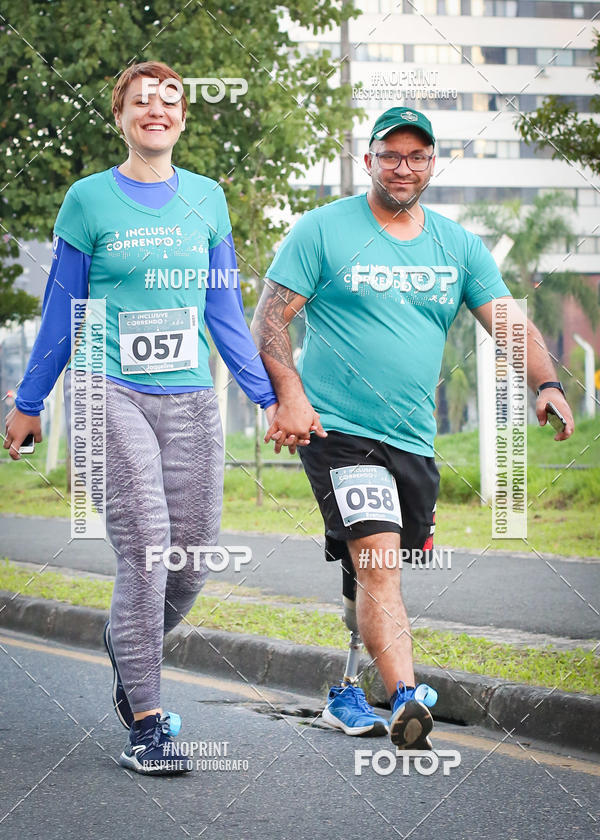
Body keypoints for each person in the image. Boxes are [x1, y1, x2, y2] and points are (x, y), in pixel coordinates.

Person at [251, 106, 574, 750]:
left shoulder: (456, 245)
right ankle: (405, 698)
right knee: (377, 562)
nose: (404, 166)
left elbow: (505, 322)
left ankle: (347, 688)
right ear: (368, 159)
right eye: (391, 154)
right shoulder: (322, 230)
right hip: (336, 429)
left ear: (431, 164)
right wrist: (287, 395)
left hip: (413, 440)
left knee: (372, 565)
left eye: (417, 156)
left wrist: (547, 383)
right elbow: (270, 319)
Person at [4, 61, 281, 775]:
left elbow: (223, 312)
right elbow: (64, 307)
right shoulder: (88, 201)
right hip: (107, 388)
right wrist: (30, 403)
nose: (156, 110)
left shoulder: (209, 200)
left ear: (183, 117)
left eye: (170, 100)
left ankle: (125, 646)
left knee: (190, 556)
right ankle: (149, 724)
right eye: (140, 101)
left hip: (188, 393)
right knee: (148, 546)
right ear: (121, 116)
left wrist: (266, 395)